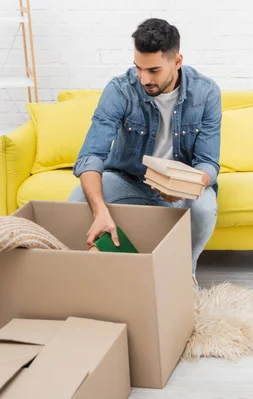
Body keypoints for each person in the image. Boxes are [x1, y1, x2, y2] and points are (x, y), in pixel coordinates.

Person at [68, 18, 221, 277]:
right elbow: (92, 155)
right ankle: (98, 275)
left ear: (177, 61)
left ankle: (185, 274)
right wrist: (100, 211)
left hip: (180, 186)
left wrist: (183, 185)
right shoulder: (120, 89)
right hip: (128, 180)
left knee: (205, 207)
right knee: (77, 200)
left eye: (153, 70)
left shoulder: (206, 93)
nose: (143, 78)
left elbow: (208, 163)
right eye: (138, 68)